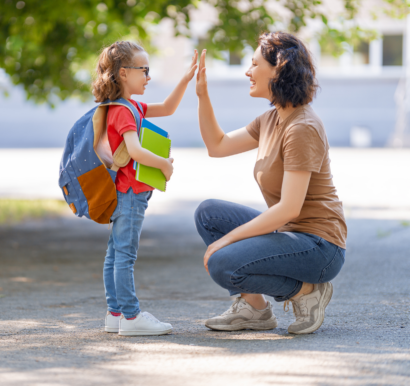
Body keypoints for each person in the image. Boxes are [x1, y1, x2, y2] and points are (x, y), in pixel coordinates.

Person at [194, 32, 347, 335]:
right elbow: (218, 145)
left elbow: (288, 208)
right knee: (209, 213)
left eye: (254, 64)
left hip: (320, 246)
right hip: (291, 234)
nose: (247, 71)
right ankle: (255, 310)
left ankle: (307, 291)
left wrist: (226, 241)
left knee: (223, 263)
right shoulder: (271, 119)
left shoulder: (302, 127)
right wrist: (202, 95)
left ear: (278, 69)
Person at [92, 41, 198, 336]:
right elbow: (135, 151)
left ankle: (115, 314)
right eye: (144, 70)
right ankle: (131, 316)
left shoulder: (125, 106)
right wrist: (164, 164)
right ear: (124, 73)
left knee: (114, 254)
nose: (148, 77)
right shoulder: (124, 111)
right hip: (129, 193)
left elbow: (167, 108)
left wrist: (186, 78)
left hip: (121, 193)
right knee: (124, 255)